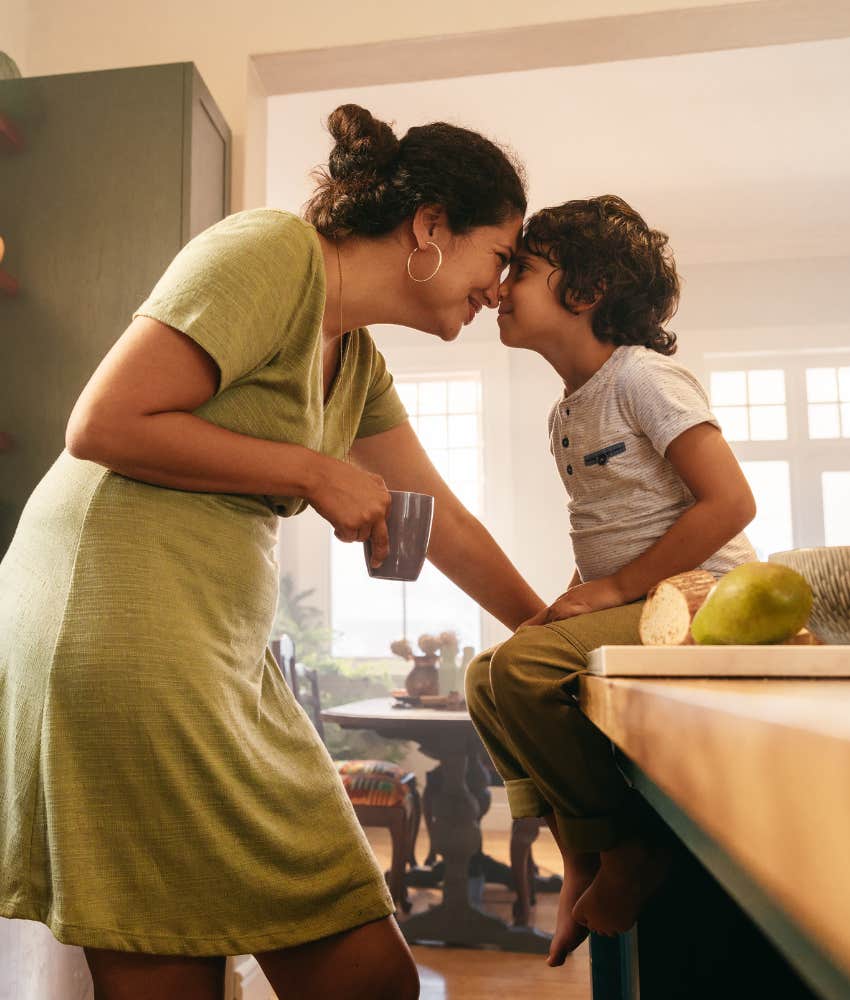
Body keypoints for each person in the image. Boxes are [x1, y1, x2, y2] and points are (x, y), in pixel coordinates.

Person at [0, 104, 545, 1000]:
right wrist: (314, 473)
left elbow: (440, 517)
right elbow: (101, 423)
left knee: (369, 975)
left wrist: (548, 625)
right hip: (112, 615)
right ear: (431, 228)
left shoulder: (357, 360)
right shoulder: (268, 254)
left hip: (216, 646)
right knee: (168, 954)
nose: (498, 289)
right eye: (499, 256)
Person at [465, 194, 757, 968]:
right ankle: (580, 853)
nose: (498, 288)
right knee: (486, 674)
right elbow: (608, 527)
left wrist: (616, 588)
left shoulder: (645, 379)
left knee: (526, 669)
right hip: (639, 593)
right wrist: (578, 595)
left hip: (702, 599)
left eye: (520, 271)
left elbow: (730, 502)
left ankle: (626, 850)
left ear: (586, 292)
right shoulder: (567, 411)